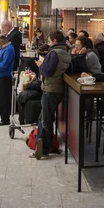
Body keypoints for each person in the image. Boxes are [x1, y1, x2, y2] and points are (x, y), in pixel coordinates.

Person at [33, 30, 71, 159]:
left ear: (54, 40)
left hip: (51, 89)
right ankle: (42, 145)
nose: (48, 43)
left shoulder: (54, 53)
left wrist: (40, 65)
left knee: (46, 120)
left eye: (49, 41)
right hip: (58, 88)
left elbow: (47, 71)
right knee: (43, 117)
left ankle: (44, 148)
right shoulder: (66, 52)